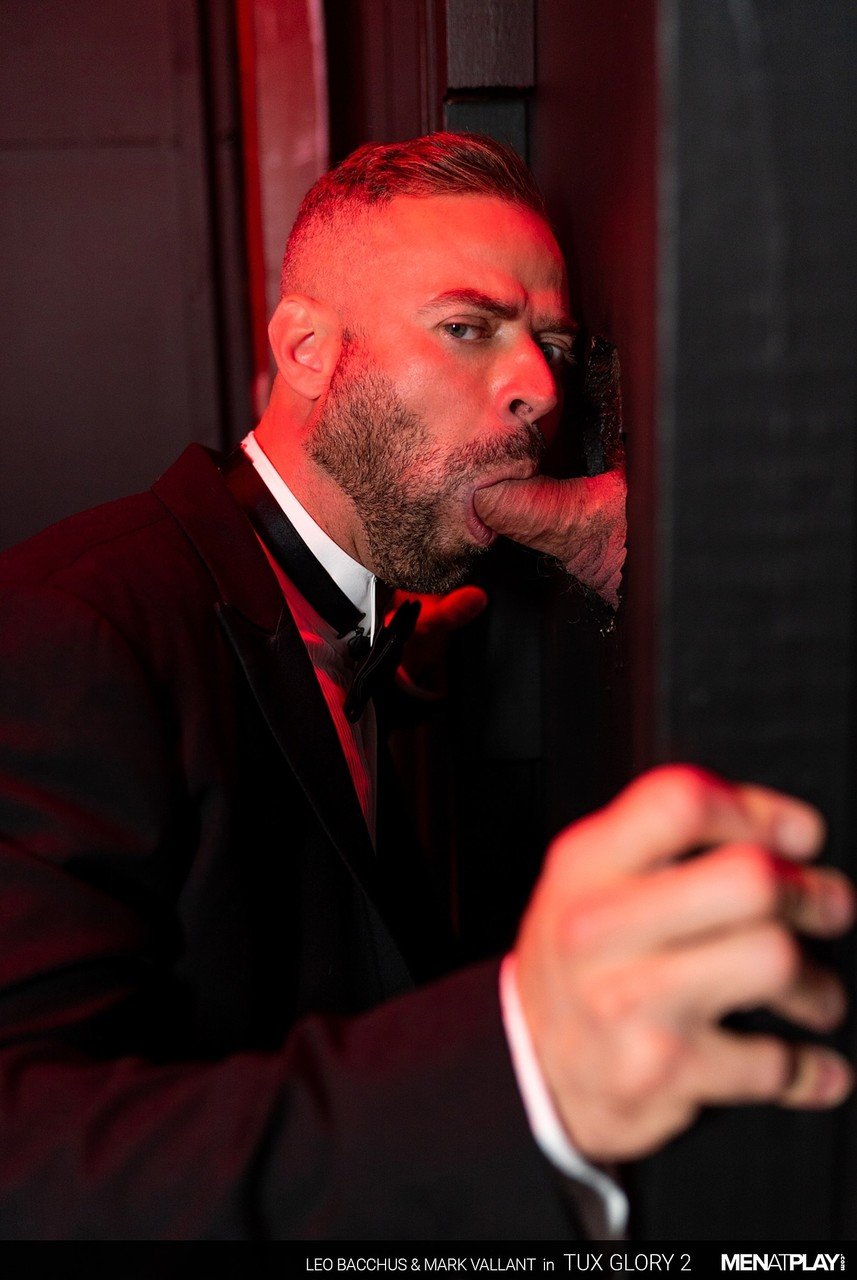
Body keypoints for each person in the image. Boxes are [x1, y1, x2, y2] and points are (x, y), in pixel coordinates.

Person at [0, 133, 852, 1241]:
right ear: (307, 349)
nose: (537, 388)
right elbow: (27, 1166)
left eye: (551, 344)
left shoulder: (376, 620)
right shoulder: (71, 631)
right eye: (466, 328)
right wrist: (524, 1072)